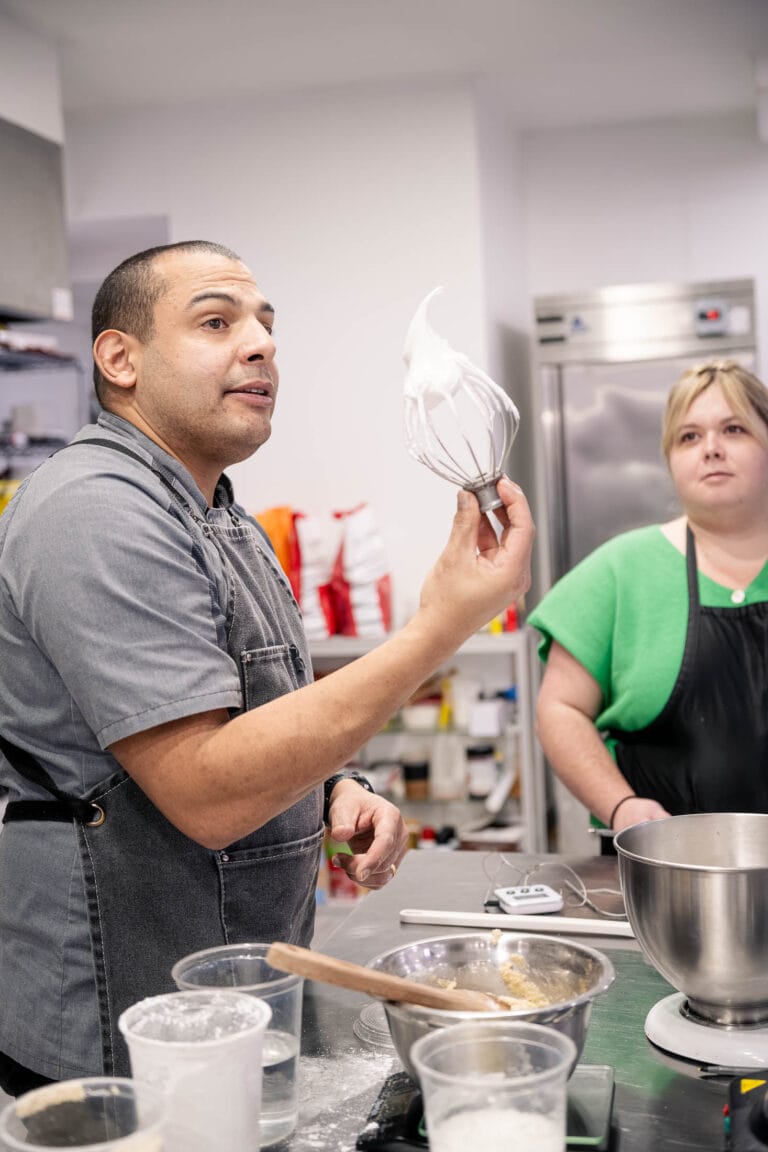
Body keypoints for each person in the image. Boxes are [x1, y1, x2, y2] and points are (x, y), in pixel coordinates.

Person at [0, 240, 534, 1092]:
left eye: (266, 326)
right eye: (217, 322)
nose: (261, 345)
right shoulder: (92, 511)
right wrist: (440, 627)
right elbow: (206, 792)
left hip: (232, 998)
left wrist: (333, 789)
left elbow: (252, 714)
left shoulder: (221, 518)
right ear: (120, 359)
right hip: (121, 1037)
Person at [529, 359, 768, 840]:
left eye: (734, 429)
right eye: (689, 437)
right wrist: (620, 805)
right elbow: (560, 708)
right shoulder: (620, 571)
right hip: (659, 868)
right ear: (670, 459)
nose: (712, 448)